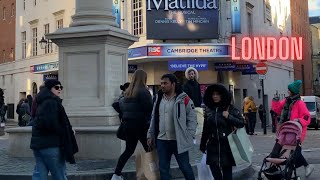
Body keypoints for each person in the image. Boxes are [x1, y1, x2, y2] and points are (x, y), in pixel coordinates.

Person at [147, 74, 197, 180]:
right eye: (161, 83)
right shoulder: (158, 98)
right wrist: (150, 135)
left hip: (178, 140)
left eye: (165, 83)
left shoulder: (184, 98)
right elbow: (154, 117)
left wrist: (189, 134)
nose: (162, 86)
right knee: (163, 169)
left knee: (185, 167)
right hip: (162, 140)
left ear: (173, 84)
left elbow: (192, 118)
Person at [30, 79, 78, 180]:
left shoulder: (41, 102)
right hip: (51, 145)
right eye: (56, 87)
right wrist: (67, 131)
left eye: (61, 87)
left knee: (39, 176)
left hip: (38, 145)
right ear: (49, 89)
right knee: (59, 175)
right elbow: (51, 124)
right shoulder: (51, 102)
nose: (59, 89)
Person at [112, 70, 153, 180]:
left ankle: (116, 175)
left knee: (129, 150)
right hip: (142, 126)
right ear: (144, 78)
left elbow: (121, 107)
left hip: (128, 126)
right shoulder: (144, 91)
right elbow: (149, 108)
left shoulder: (128, 92)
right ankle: (152, 174)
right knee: (150, 150)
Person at [200, 84, 244, 180]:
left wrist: (229, 117)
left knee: (227, 174)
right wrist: (203, 144)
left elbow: (241, 123)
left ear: (222, 95)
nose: (215, 96)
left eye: (218, 94)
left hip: (227, 145)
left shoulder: (229, 108)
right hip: (212, 145)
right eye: (213, 94)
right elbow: (205, 129)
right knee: (215, 173)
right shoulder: (209, 110)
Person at [273, 80, 313, 177]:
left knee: (293, 152)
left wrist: (298, 121)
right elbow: (277, 109)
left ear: (292, 91)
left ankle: (289, 172)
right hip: (285, 130)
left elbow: (307, 117)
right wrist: (275, 101)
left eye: (289, 90)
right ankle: (307, 166)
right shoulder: (287, 101)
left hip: (296, 131)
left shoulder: (300, 103)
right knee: (291, 150)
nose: (287, 91)